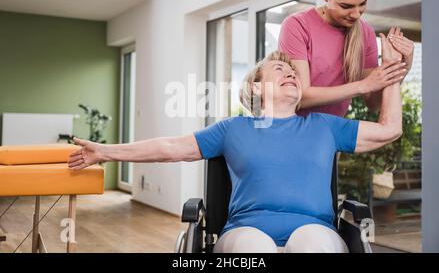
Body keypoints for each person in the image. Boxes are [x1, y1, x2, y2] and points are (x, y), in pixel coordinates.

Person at [68, 36, 404, 253]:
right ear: (257, 90)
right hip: (245, 231)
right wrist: (106, 151)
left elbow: (389, 129)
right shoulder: (233, 130)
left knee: (314, 243)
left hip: (316, 230)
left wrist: (393, 71)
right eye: (278, 70)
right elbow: (169, 147)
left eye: (292, 72)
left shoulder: (325, 127)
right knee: (253, 250)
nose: (290, 73)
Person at [278, 0, 415, 117]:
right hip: (293, 129)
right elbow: (300, 97)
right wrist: (363, 85)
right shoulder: (297, 25)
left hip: (332, 132)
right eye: (346, 6)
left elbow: (373, 103)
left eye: (363, 3)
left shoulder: (365, 33)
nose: (356, 14)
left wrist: (400, 68)